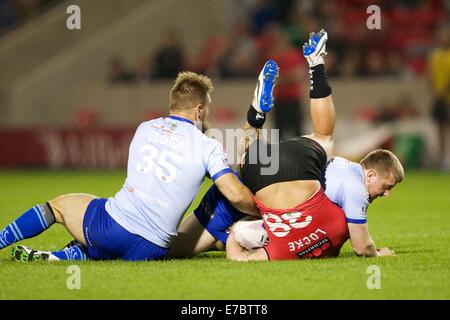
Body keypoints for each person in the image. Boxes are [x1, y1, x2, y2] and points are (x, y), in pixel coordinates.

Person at [169, 30, 404, 261]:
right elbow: (361, 245)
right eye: (386, 186)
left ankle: (310, 69)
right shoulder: (355, 190)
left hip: (288, 159)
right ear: (370, 174)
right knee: (183, 246)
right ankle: (265, 110)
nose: (386, 193)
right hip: (275, 190)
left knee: (321, 137)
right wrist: (377, 253)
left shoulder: (343, 166)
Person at [2, 72, 259, 262]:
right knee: (107, 228)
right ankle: (63, 256)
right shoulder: (207, 146)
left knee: (60, 206)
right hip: (153, 248)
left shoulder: (144, 128)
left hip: (113, 228)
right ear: (199, 110)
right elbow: (235, 194)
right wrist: (263, 211)